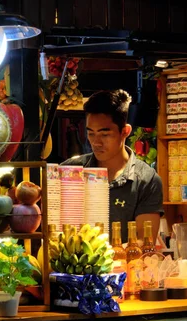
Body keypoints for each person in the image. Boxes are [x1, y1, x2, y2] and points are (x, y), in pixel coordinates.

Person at [61, 90, 163, 242]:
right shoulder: (70, 172)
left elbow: (144, 245)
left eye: (104, 134)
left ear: (125, 132)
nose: (96, 142)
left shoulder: (147, 180)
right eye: (91, 133)